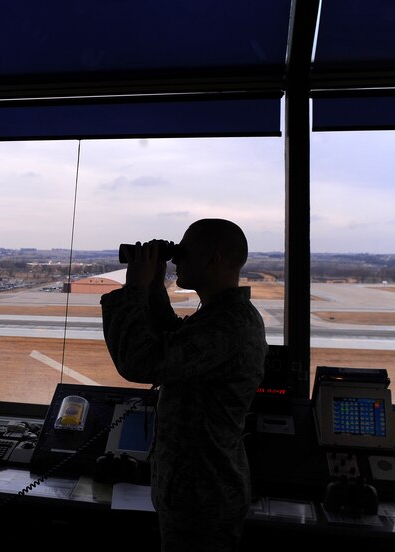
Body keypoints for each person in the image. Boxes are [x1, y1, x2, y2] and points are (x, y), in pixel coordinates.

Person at [100, 218, 268, 552]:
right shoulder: (220, 318)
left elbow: (141, 362)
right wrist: (154, 287)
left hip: (203, 498)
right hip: (196, 490)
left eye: (185, 251)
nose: (177, 259)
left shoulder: (228, 327)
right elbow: (174, 341)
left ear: (215, 260)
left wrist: (134, 288)